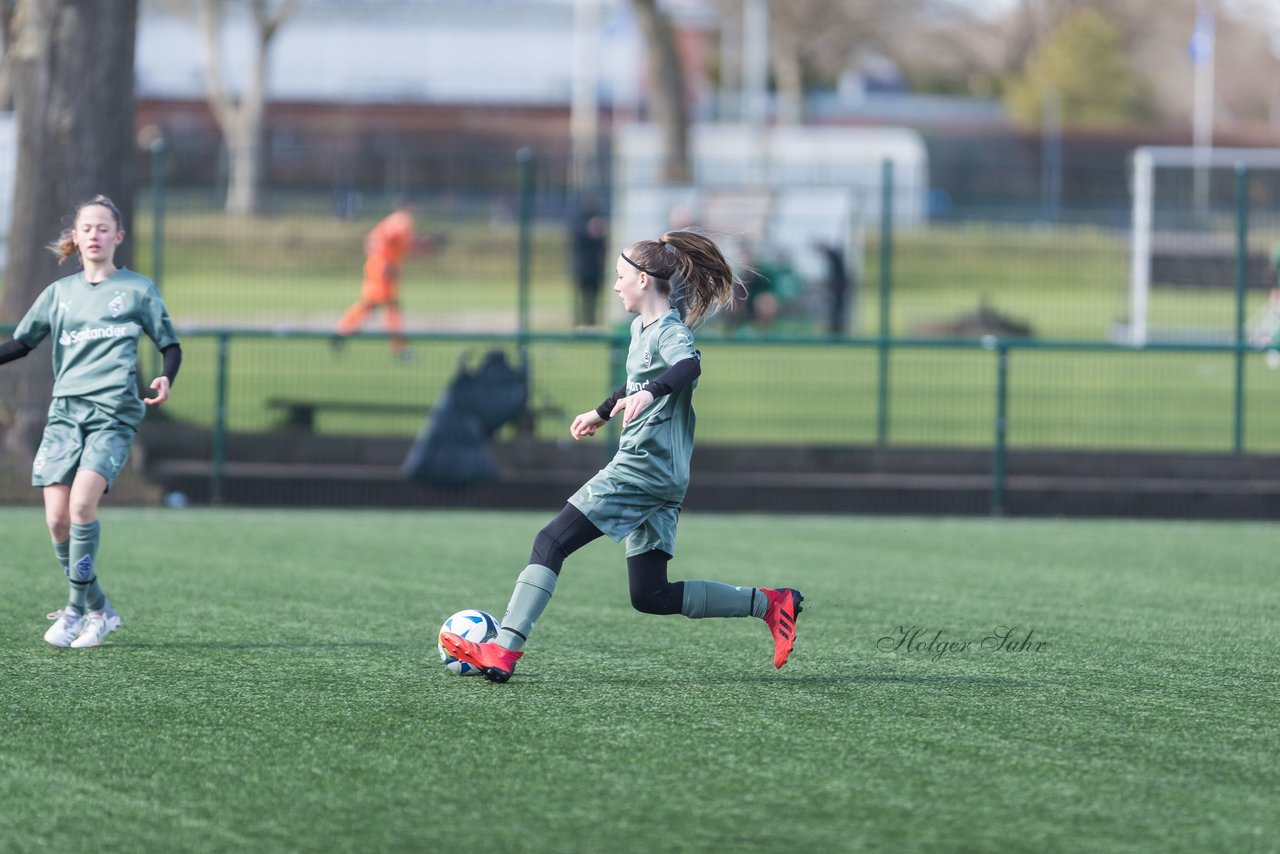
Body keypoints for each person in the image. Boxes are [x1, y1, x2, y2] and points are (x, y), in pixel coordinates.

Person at [440, 230, 804, 683]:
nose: (615, 286)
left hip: (642, 469)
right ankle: (770, 603)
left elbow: (687, 366)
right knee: (650, 594)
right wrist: (602, 410)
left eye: (620, 277)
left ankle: (503, 649)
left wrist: (651, 393)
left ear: (644, 281)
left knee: (551, 541)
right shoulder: (640, 329)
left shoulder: (669, 330)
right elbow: (637, 383)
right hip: (662, 475)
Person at [0, 194, 181, 648]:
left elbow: (170, 345)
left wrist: (165, 377)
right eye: (88, 228)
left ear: (118, 237)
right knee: (58, 521)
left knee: (82, 507)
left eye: (104, 228)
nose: (96, 235)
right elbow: (21, 344)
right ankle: (100, 608)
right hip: (65, 415)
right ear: (76, 238)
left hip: (113, 416)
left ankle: (76, 612)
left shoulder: (138, 290)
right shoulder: (58, 294)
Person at [334, 198, 419, 357]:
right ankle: (398, 347)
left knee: (376, 305)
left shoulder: (396, 222)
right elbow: (379, 241)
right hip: (383, 270)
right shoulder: (401, 221)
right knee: (384, 305)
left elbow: (398, 245)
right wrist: (386, 263)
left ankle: (343, 330)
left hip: (383, 268)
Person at [569, 195, 608, 328]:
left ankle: (592, 322)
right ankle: (579, 322)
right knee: (581, 297)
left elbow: (603, 247)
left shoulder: (599, 223)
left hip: (595, 268)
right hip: (582, 267)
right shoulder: (580, 223)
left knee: (594, 298)